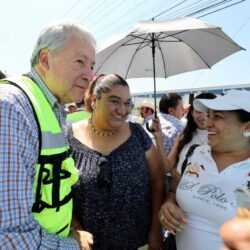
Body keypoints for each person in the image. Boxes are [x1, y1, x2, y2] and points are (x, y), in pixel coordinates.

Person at [0, 20, 96, 249]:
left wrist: (70, 227)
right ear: (45, 60)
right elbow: (10, 239)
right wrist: (73, 244)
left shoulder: (54, 109)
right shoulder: (11, 109)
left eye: (92, 65)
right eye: (80, 62)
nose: (89, 75)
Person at [69, 74, 165, 250]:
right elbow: (57, 192)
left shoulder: (137, 134)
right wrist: (75, 229)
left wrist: (155, 230)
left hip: (139, 243)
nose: (123, 110)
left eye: (127, 102)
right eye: (115, 101)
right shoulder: (69, 138)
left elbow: (157, 181)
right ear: (93, 100)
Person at [159, 89, 250, 250]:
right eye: (209, 115)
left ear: (247, 128)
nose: (207, 122)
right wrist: (168, 204)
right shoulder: (194, 153)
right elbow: (174, 190)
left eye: (218, 117)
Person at [172, 93, 216, 170]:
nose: (204, 116)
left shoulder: (221, 138)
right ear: (192, 112)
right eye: (199, 111)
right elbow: (169, 164)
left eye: (209, 112)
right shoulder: (183, 134)